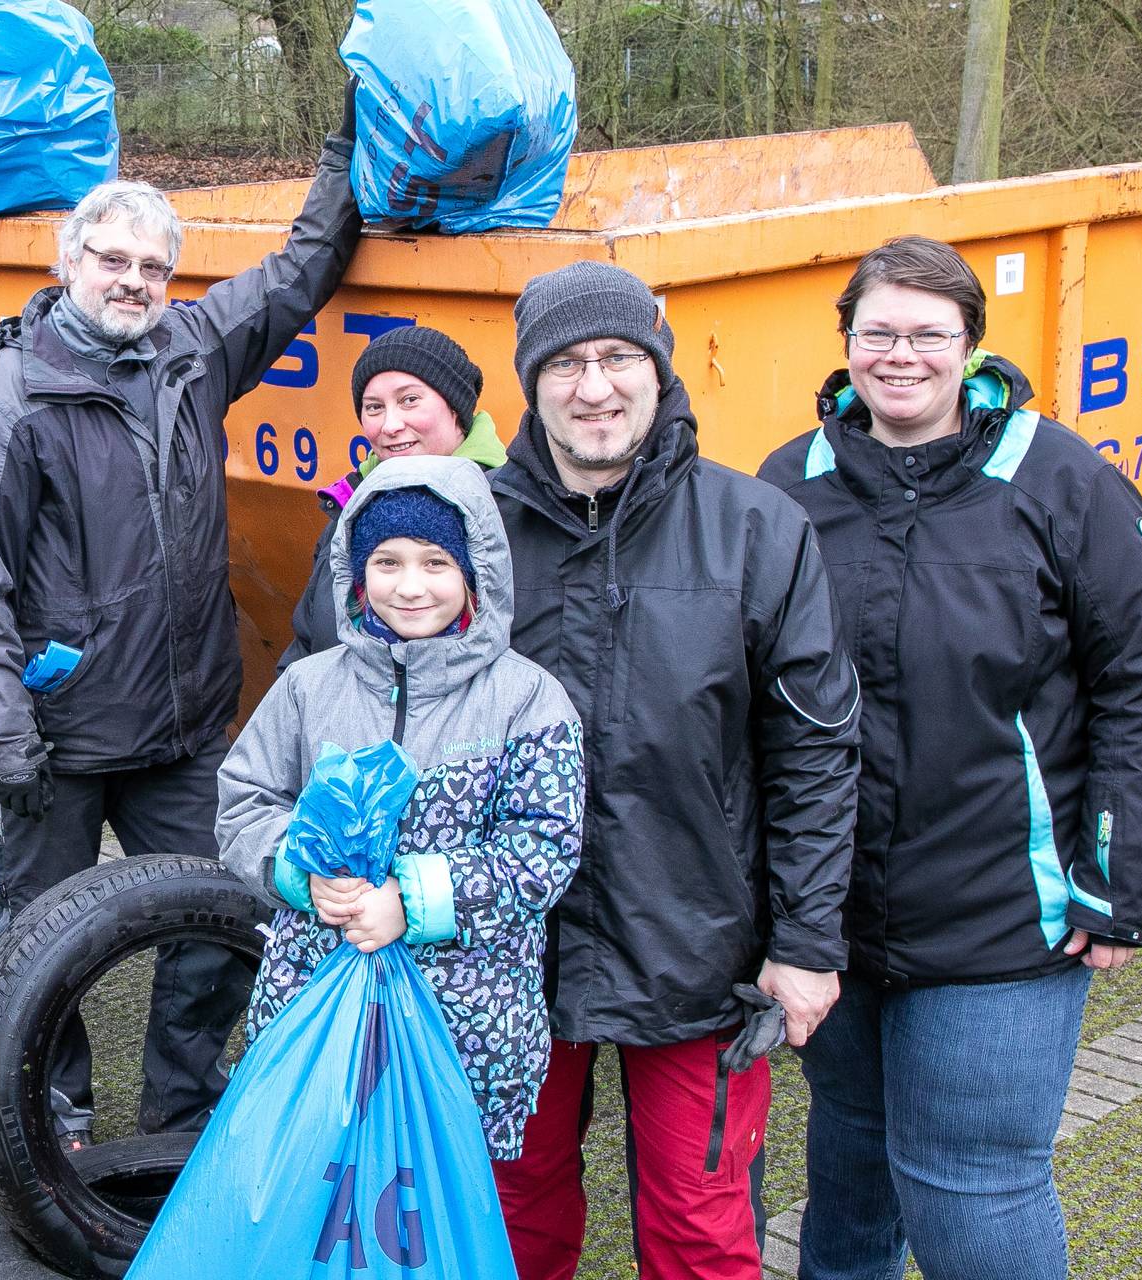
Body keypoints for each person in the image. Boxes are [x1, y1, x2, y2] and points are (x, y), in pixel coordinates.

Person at [758, 236, 1142, 1280]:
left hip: (1002, 918)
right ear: (846, 343)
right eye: (877, 333)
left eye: (928, 334)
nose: (900, 355)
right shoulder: (787, 484)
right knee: (851, 1169)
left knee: (970, 1188)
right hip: (833, 920)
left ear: (971, 348)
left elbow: (1141, 681)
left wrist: (1119, 881)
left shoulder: (1061, 481)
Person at [0, 112, 362, 1144]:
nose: (133, 280)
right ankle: (55, 1110)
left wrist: (345, 154)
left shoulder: (191, 353)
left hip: (181, 731)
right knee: (45, 945)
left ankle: (179, 1096)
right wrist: (5, 739)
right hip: (60, 741)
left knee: (224, 914)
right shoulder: (6, 399)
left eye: (152, 265)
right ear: (69, 260)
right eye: (113, 258)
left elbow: (299, 273)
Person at [484, 260, 860, 1280]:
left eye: (616, 357)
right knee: (507, 1216)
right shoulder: (470, 532)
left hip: (700, 951)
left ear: (660, 366)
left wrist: (808, 940)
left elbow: (814, 753)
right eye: (565, 362)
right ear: (530, 380)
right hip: (509, 948)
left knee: (701, 1227)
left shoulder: (754, 528)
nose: (594, 386)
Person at [216, 457, 584, 1162]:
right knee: (318, 1187)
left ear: (476, 570)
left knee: (432, 1206)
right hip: (316, 1000)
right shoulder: (308, 687)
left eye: (436, 562)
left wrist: (410, 905)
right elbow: (245, 798)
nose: (410, 586)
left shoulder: (528, 701)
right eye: (386, 561)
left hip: (466, 1020)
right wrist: (302, 873)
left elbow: (544, 848)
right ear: (357, 572)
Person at [277, 323, 505, 671]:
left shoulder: (505, 510)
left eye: (409, 400)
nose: (390, 425)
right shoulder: (349, 510)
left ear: (456, 408)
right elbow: (306, 648)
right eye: (373, 407)